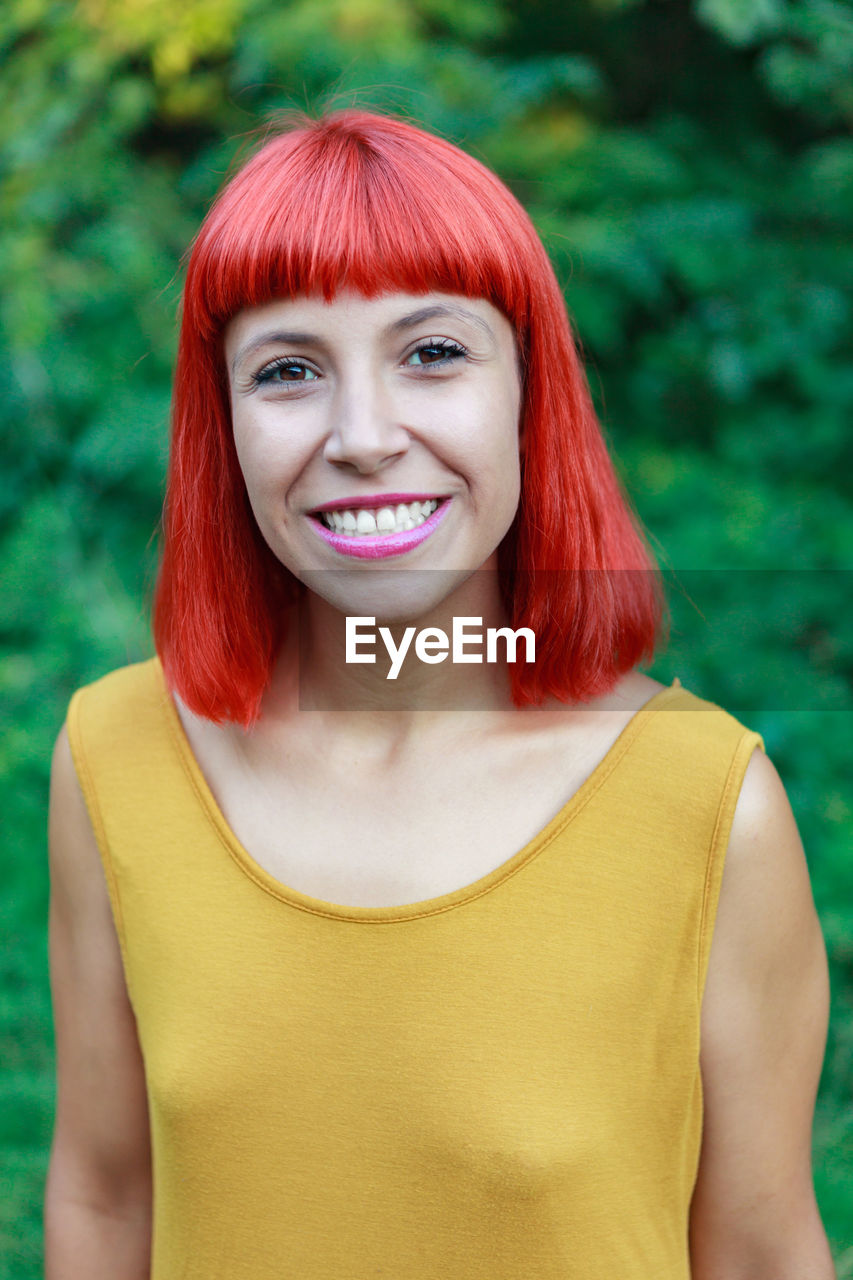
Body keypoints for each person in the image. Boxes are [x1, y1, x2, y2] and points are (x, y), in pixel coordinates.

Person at [44, 109, 835, 1279]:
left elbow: (764, 1252)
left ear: (529, 396)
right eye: (288, 370)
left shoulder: (709, 807)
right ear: (224, 425)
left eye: (432, 352)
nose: (363, 436)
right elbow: (105, 1201)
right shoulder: (115, 755)